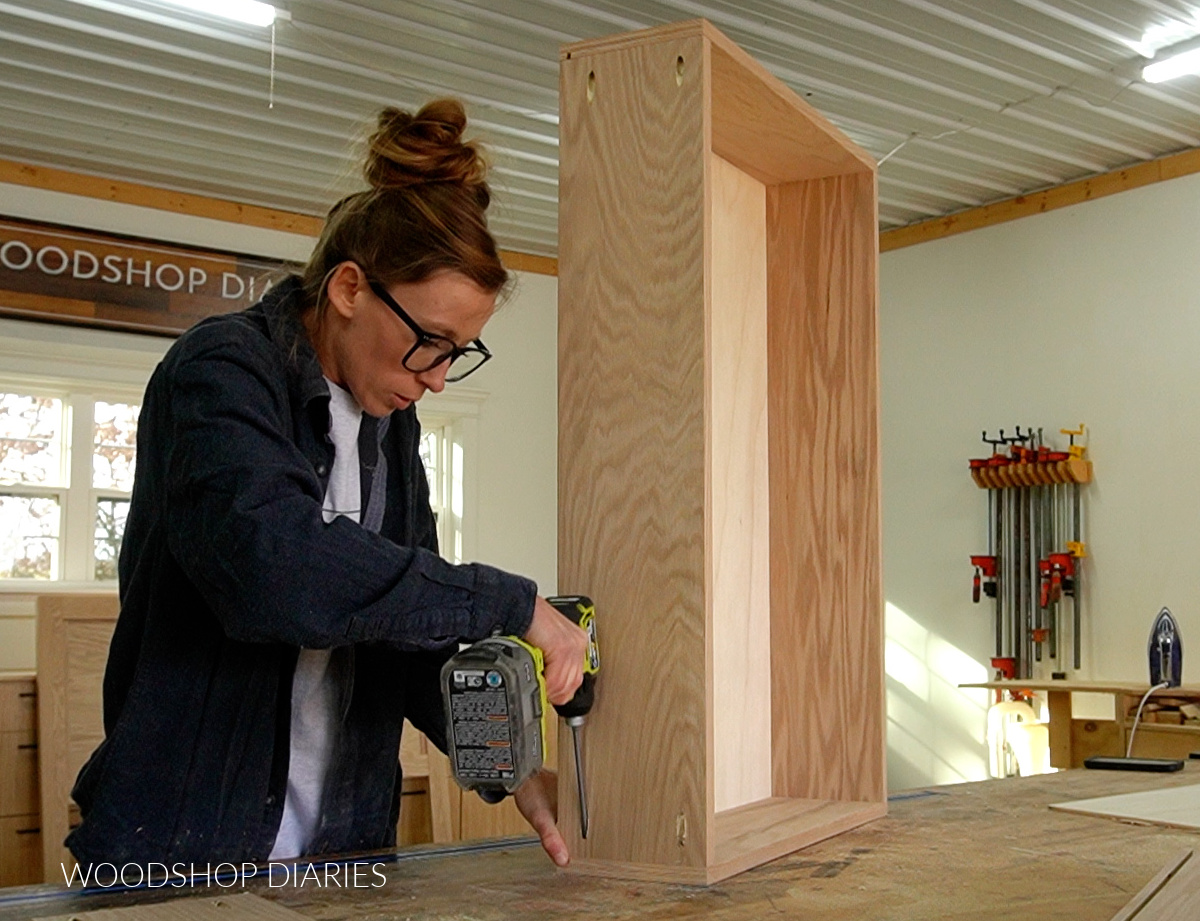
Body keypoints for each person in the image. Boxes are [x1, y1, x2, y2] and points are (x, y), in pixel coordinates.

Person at [67, 99, 587, 871]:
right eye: (429, 344)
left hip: (343, 848)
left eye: (460, 353)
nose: (439, 379)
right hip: (181, 850)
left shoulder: (390, 425)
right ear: (349, 288)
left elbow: (408, 636)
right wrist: (513, 602)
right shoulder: (221, 372)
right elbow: (275, 570)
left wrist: (505, 761)